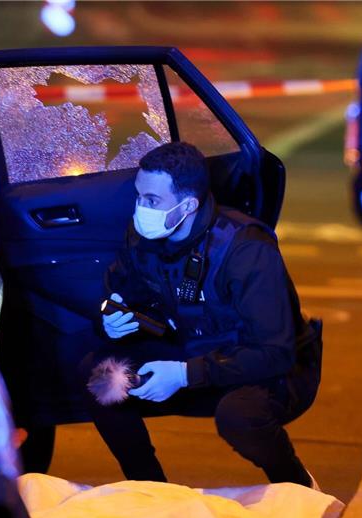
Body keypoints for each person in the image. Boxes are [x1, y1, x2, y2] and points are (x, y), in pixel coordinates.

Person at [83, 141, 322, 487]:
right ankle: (149, 489)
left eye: (152, 201)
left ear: (188, 205)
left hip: (266, 368)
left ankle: (297, 483)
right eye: (139, 196)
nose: (140, 209)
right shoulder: (143, 237)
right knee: (100, 375)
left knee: (239, 415)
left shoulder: (245, 249)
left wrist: (184, 375)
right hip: (195, 352)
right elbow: (116, 292)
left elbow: (276, 353)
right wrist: (109, 321)